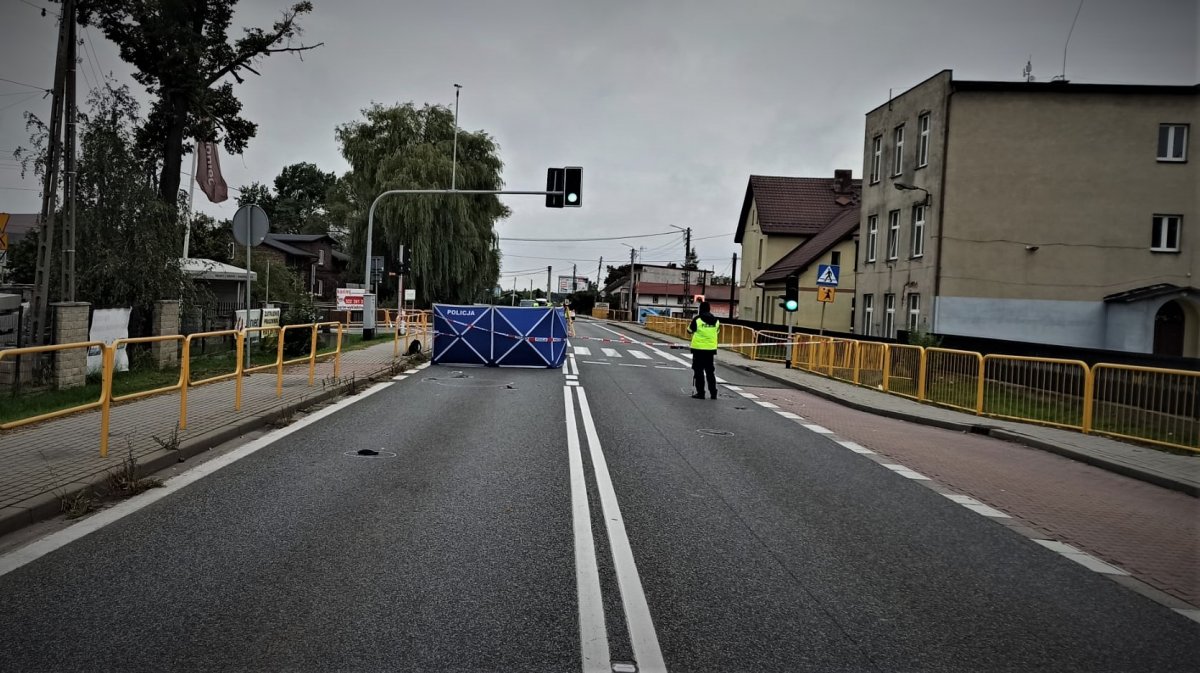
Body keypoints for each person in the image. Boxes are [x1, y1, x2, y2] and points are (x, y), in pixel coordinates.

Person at [686, 301, 720, 399]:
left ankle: (701, 392)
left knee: (698, 371)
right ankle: (713, 393)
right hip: (710, 350)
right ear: (709, 309)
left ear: (700, 309)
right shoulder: (716, 320)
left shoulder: (697, 319)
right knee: (710, 372)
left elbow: (689, 330)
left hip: (698, 349)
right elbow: (717, 331)